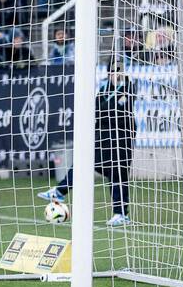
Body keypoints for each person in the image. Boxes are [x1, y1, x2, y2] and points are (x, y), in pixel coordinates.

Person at [40, 60, 138, 226]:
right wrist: (106, 109)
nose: (116, 75)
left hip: (122, 136)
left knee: (118, 173)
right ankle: (59, 191)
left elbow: (119, 110)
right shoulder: (103, 90)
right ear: (108, 73)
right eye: (113, 71)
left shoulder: (128, 88)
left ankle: (121, 213)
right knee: (84, 161)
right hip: (102, 136)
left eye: (119, 71)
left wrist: (106, 109)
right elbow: (98, 111)